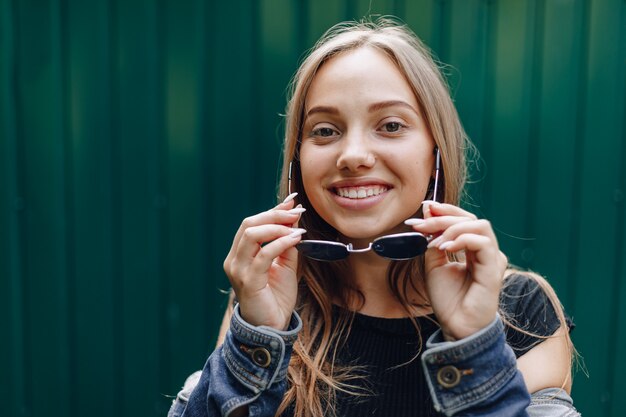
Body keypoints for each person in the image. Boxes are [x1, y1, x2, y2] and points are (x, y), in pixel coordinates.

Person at [169, 18, 580, 417]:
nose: (353, 156)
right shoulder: (272, 295)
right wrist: (257, 338)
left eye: (390, 125)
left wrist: (475, 343)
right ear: (297, 161)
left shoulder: (522, 313)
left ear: (436, 155)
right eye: (325, 130)